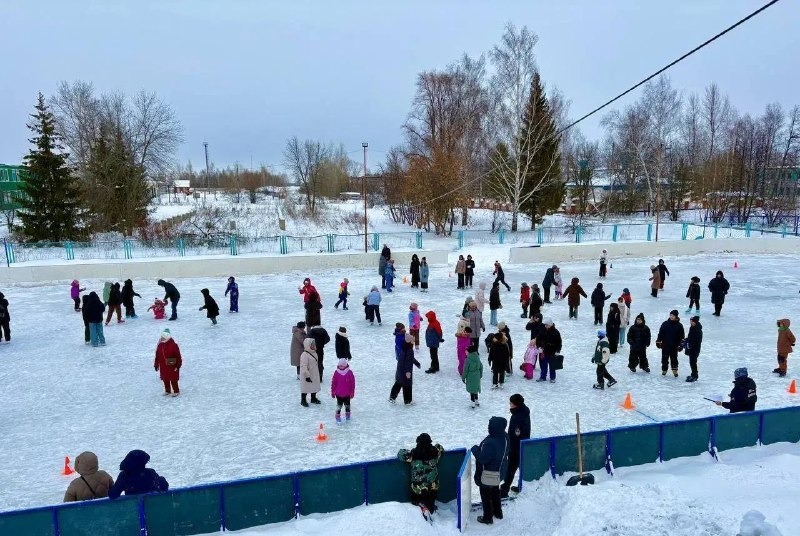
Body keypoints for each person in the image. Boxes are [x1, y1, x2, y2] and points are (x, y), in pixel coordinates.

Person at [471, 416, 509, 525]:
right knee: (495, 490)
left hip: (489, 474)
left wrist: (475, 449)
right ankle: (498, 512)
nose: (488, 427)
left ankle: (487, 517)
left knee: (486, 494)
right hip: (499, 471)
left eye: (490, 425)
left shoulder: (491, 442)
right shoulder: (504, 436)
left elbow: (483, 458)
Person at [397, 434, 444, 514]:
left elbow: (400, 454)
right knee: (431, 494)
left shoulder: (413, 455)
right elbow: (440, 447)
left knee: (415, 496)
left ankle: (419, 506)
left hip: (418, 489)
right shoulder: (436, 452)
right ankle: (430, 507)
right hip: (433, 488)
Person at [501, 394, 530, 498]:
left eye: (511, 402)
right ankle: (521, 486)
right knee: (520, 467)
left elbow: (516, 434)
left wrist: (510, 446)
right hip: (523, 445)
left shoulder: (518, 417)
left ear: (516, 404)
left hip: (516, 447)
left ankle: (504, 491)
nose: (509, 404)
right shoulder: (523, 410)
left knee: (510, 469)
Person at [390, 333, 421, 405]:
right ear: (410, 342)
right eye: (412, 341)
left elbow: (410, 359)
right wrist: (407, 372)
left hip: (400, 370)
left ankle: (392, 397)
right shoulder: (409, 350)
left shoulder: (404, 348)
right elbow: (407, 361)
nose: (413, 342)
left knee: (398, 383)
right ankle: (408, 401)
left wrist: (416, 363)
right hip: (405, 371)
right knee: (407, 385)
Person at [656, 310, 685, 377]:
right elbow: (661, 333)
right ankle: (664, 370)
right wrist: (658, 341)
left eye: (673, 315)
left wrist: (681, 345)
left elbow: (682, 336)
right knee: (664, 358)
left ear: (676, 316)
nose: (671, 317)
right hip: (665, 345)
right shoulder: (665, 324)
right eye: (670, 315)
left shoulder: (679, 326)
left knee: (674, 358)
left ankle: (674, 370)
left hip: (674, 346)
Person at [154, 328, 182, 396]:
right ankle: (167, 390)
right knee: (165, 378)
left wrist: (177, 365)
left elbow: (178, 356)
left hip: (172, 364)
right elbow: (157, 355)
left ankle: (176, 391)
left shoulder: (173, 345)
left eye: (163, 338)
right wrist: (156, 364)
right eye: (161, 337)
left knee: (173, 378)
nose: (161, 339)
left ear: (167, 337)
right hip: (163, 364)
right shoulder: (160, 345)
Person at [537, 318, 562, 383]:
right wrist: (539, 347)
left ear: (550, 325)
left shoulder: (556, 332)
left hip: (552, 352)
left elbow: (559, 343)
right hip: (543, 351)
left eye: (547, 325)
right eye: (545, 325)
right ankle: (542, 377)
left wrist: (558, 351)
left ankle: (552, 378)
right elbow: (538, 339)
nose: (545, 326)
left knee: (552, 366)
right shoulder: (542, 331)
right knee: (543, 365)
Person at [331, 358, 356, 423]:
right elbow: (333, 383)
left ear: (346, 365)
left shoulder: (349, 373)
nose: (341, 367)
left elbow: (352, 384)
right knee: (339, 406)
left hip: (347, 394)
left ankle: (348, 416)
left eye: (342, 365)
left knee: (347, 405)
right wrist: (333, 392)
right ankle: (337, 416)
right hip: (338, 394)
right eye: (340, 365)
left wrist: (352, 392)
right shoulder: (336, 373)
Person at [300, 338, 322, 407]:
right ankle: (303, 400)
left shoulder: (314, 352)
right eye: (312, 344)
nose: (314, 345)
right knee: (305, 387)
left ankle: (313, 398)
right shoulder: (304, 354)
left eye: (314, 344)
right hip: (307, 374)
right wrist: (307, 375)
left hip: (314, 373)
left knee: (314, 386)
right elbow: (304, 366)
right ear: (308, 345)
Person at [462, 341, 483, 408]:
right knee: (476, 388)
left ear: (469, 352)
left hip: (470, 376)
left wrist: (463, 377)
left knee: (471, 389)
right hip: (477, 375)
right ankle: (477, 401)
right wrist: (480, 374)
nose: (466, 352)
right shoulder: (477, 358)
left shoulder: (467, 360)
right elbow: (481, 366)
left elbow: (465, 370)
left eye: (466, 351)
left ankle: (472, 401)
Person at [684, 316, 703, 382]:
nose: (691, 322)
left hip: (695, 349)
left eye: (692, 321)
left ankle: (695, 376)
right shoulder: (692, 328)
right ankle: (693, 374)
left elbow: (697, 340)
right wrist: (686, 340)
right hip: (691, 348)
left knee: (693, 362)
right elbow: (690, 337)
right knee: (692, 362)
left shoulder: (698, 330)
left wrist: (690, 344)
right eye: (690, 321)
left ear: (695, 322)